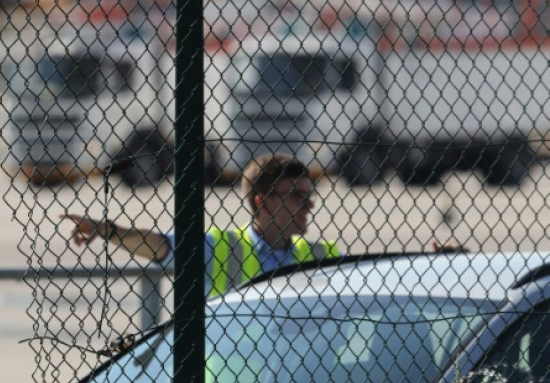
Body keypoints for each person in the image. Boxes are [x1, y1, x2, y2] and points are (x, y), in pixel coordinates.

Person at [61, 153, 463, 298]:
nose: (309, 205)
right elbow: (161, 246)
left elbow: (379, 277)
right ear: (262, 201)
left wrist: (436, 264)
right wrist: (107, 230)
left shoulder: (320, 254)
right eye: (297, 196)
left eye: (309, 195)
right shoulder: (222, 249)